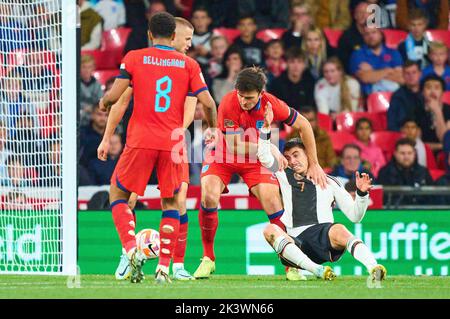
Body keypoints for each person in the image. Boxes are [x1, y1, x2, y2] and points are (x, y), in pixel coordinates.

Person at [98, 12, 217, 284]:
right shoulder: (188, 65)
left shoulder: (134, 58)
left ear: (150, 34)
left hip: (140, 139)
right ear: (173, 36)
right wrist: (213, 128)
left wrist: (104, 102)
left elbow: (116, 98)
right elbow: (208, 104)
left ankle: (130, 249)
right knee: (173, 202)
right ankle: (164, 267)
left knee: (118, 192)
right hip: (172, 141)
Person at [193, 66, 327, 281]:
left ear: (261, 94)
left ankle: (290, 265)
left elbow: (304, 125)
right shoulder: (228, 103)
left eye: (249, 98)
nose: (244, 101)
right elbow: (234, 146)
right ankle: (208, 258)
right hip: (224, 154)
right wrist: (270, 148)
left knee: (273, 201)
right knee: (208, 194)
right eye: (241, 96)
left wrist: (314, 163)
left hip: (255, 159)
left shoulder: (271, 103)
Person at [258, 107, 387, 283]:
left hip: (324, 237)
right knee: (269, 230)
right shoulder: (284, 174)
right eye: (289, 157)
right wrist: (266, 128)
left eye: (296, 155)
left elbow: (355, 216)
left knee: (340, 229)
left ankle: (373, 267)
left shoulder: (330, 182)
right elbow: (264, 155)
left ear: (309, 154)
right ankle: (317, 270)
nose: (293, 161)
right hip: (296, 243)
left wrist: (362, 194)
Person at [377, 138, 434, 205]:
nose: (406, 157)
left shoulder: (423, 172)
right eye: (402, 153)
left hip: (421, 213)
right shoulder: (385, 173)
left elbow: (432, 196)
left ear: (414, 154)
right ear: (395, 154)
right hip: (394, 213)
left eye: (409, 153)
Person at [350, 26, 404, 96]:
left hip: (395, 95)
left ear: (381, 34)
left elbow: (401, 78)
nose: (371, 36)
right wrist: (389, 70)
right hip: (370, 97)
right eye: (367, 34)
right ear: (363, 37)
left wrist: (372, 72)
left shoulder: (393, 53)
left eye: (374, 32)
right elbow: (365, 78)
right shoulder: (357, 54)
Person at [268, 47, 316, 112]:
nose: (296, 66)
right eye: (292, 62)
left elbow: (311, 107)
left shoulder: (310, 82)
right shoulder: (276, 83)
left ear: (304, 65)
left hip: (303, 118)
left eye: (299, 62)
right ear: (287, 64)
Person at [387, 60, 425, 131]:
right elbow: (392, 124)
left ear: (420, 74)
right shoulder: (397, 96)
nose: (411, 76)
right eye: (407, 73)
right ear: (403, 75)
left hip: (426, 134)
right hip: (404, 135)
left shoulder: (427, 93)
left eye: (414, 72)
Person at [417, 75, 450, 151]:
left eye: (437, 88)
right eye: (428, 88)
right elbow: (416, 144)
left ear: (442, 92)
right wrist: (440, 146)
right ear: (422, 92)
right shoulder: (416, 111)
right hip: (424, 152)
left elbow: (445, 139)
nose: (432, 91)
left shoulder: (448, 110)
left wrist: (437, 111)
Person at [337, 1, 370, 73]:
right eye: (360, 12)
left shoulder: (377, 34)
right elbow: (342, 62)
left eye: (367, 13)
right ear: (355, 16)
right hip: (353, 74)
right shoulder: (346, 37)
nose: (364, 16)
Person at [80, 54, 104, 127]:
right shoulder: (73, 84)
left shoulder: (97, 85)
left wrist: (92, 109)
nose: (86, 70)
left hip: (93, 120)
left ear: (93, 68)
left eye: (89, 67)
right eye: (84, 67)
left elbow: (100, 103)